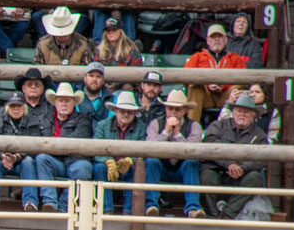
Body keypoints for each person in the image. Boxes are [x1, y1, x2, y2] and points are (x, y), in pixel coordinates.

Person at [200, 94, 268, 218]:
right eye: (239, 111)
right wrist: (229, 164)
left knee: (254, 178)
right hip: (217, 171)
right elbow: (209, 145)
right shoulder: (218, 126)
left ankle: (227, 215)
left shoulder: (259, 134)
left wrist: (242, 168)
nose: (242, 114)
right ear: (233, 112)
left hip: (242, 174)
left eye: (246, 112)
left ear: (253, 115)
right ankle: (212, 215)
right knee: (206, 176)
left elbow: (262, 158)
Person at [144, 90, 206, 218]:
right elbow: (150, 148)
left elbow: (193, 152)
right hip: (162, 168)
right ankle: (151, 206)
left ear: (185, 110)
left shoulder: (194, 126)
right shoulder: (155, 123)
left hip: (182, 170)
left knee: (191, 163)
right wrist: (166, 132)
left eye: (177, 109)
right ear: (165, 109)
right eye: (170, 108)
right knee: (151, 161)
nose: (173, 112)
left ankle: (193, 208)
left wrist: (177, 134)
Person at [35, 83, 93, 211]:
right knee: (41, 159)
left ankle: (64, 207)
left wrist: (53, 146)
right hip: (55, 161)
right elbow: (41, 143)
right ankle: (50, 203)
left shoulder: (84, 120)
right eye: (61, 100)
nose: (64, 104)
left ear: (74, 103)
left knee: (84, 167)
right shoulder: (44, 119)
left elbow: (78, 139)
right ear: (55, 103)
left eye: (68, 101)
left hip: (75, 161)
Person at [0, 92, 43, 212]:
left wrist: (16, 157)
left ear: (24, 107)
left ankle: (30, 202)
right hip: (3, 160)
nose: (16, 109)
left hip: (21, 161)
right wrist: (2, 156)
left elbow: (34, 147)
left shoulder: (32, 121)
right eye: (13, 106)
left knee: (28, 162)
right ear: (7, 107)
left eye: (19, 106)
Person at [92, 91, 147, 214]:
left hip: (130, 168)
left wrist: (130, 161)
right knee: (99, 168)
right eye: (122, 111)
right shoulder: (102, 125)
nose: (126, 114)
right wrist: (108, 161)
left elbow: (144, 151)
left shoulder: (142, 127)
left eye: (129, 112)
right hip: (108, 167)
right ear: (116, 111)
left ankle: (129, 210)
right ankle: (106, 209)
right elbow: (96, 149)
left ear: (135, 113)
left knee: (138, 169)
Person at [184, 24, 249, 122]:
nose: (217, 40)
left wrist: (224, 85)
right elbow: (185, 78)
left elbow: (244, 80)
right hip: (205, 97)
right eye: (213, 37)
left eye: (220, 37)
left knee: (238, 88)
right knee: (194, 87)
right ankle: (192, 127)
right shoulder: (197, 57)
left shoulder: (235, 59)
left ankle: (237, 127)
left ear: (225, 40)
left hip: (227, 97)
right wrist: (207, 85)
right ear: (208, 41)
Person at [76, 61, 111, 126]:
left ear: (103, 81)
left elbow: (110, 125)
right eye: (91, 76)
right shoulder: (75, 97)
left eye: (98, 76)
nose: (94, 79)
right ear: (85, 78)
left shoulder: (111, 99)